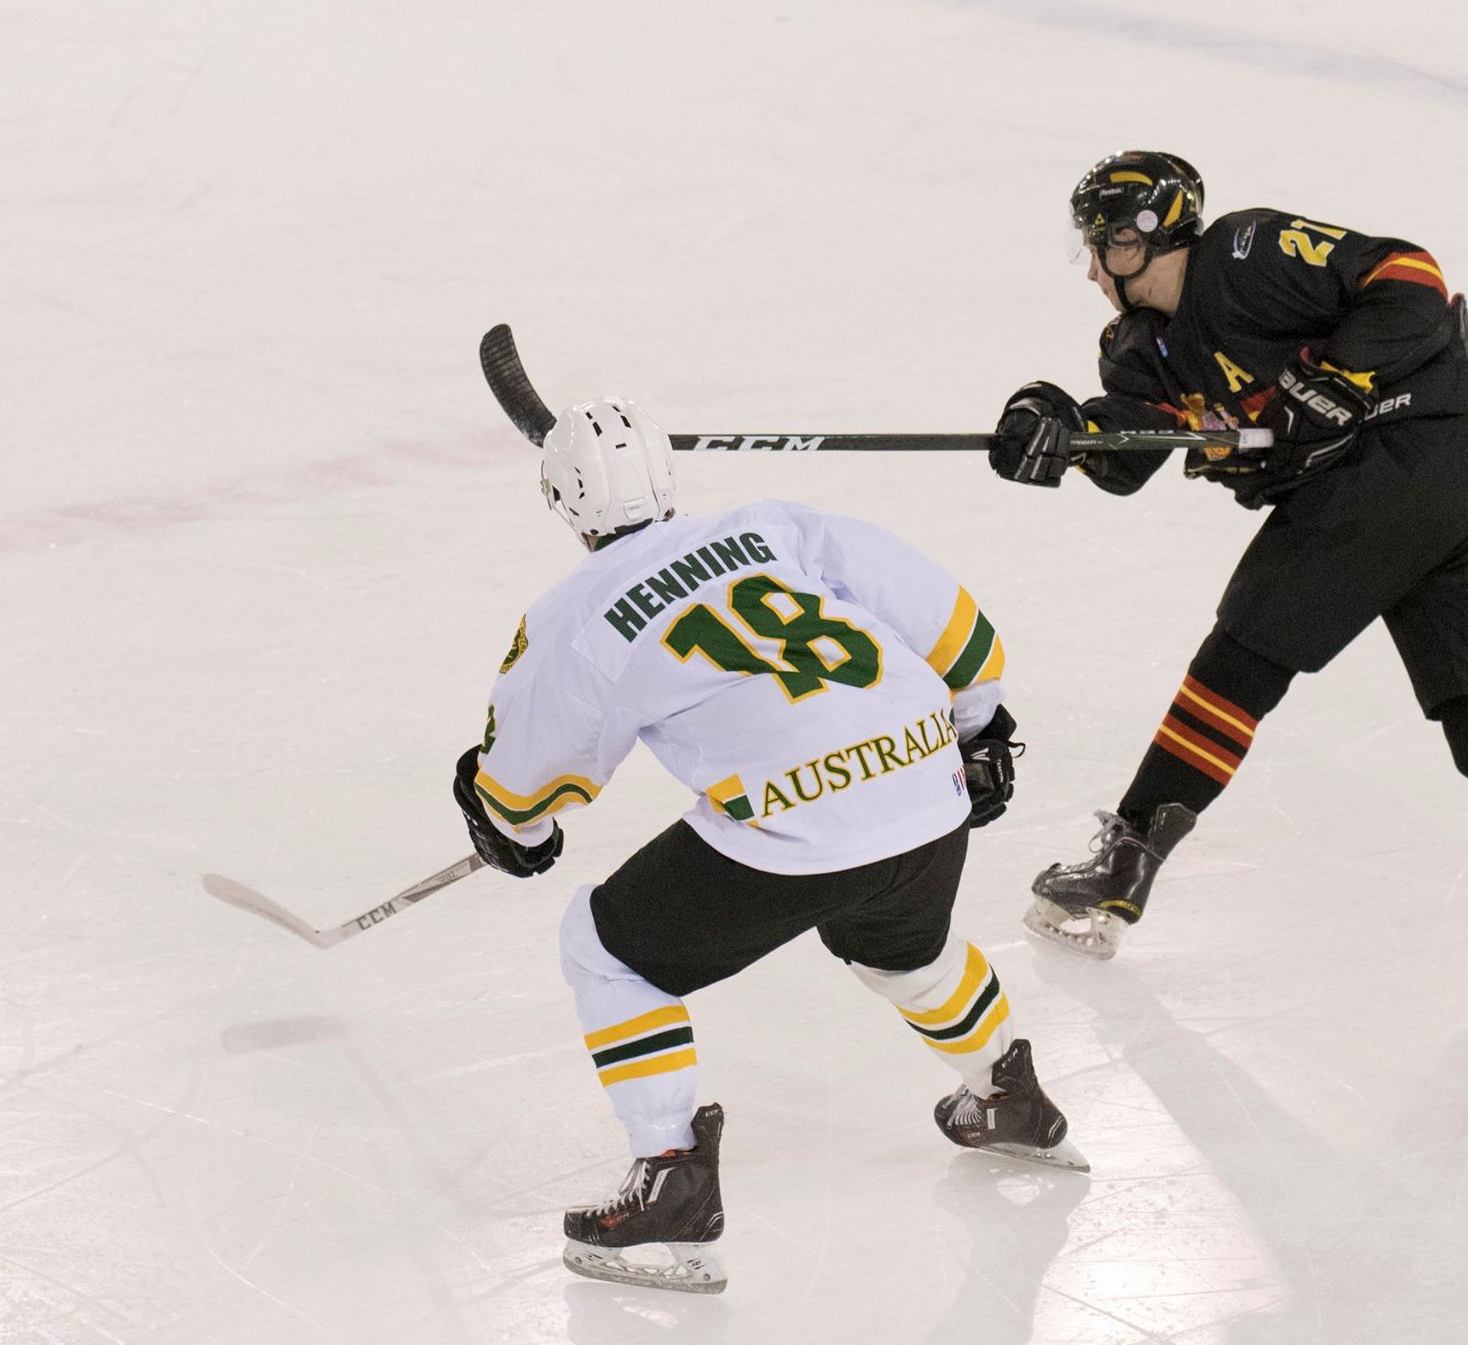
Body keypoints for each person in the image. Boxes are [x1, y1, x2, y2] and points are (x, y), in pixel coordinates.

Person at [988, 150, 1468, 961]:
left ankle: (1124, 868)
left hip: (1394, 467)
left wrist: (1340, 375)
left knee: (1240, 663)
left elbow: (1409, 275)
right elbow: (1125, 452)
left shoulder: (1245, 255)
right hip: (1463, 488)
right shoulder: (1141, 348)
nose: (1089, 267)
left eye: (1099, 245)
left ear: (1137, 239)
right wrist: (1053, 431)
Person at [454, 398, 1086, 1294]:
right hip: (923, 783)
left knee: (603, 951)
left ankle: (672, 1175)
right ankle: (1010, 1095)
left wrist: (511, 825)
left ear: (561, 500)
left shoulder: (577, 614)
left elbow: (520, 789)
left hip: (799, 824)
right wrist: (979, 727)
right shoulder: (776, 527)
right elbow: (955, 626)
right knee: (906, 947)